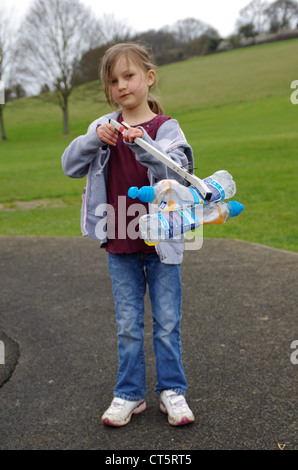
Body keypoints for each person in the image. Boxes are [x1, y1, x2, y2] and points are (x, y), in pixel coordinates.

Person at [61, 43, 195, 427]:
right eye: (114, 80)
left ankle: (173, 391)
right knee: (128, 324)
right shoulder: (102, 127)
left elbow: (178, 172)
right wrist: (93, 139)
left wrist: (142, 144)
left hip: (162, 240)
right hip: (119, 241)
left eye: (130, 76)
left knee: (167, 321)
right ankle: (129, 394)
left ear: (149, 79)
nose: (122, 85)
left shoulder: (166, 127)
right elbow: (70, 165)